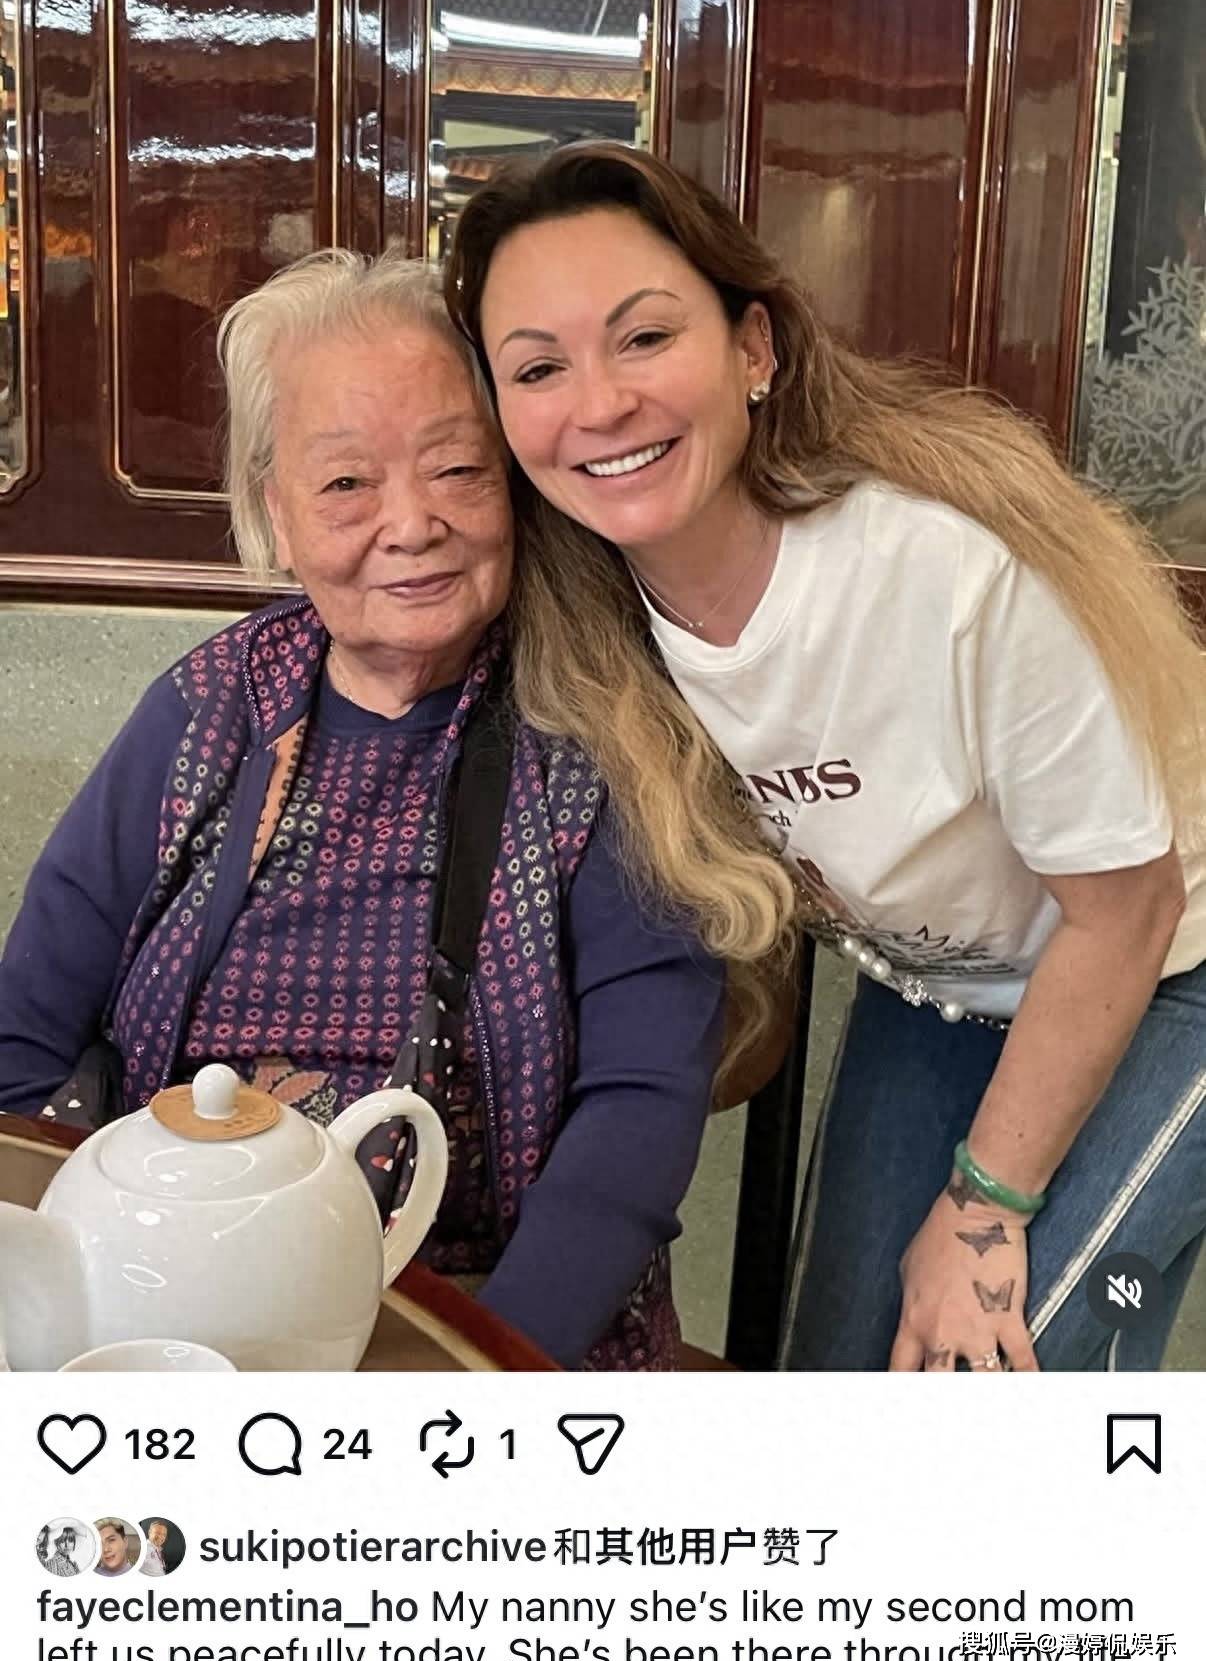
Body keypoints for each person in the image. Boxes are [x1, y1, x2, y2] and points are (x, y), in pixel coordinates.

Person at [445, 140, 1206, 1373]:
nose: (598, 404)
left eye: (645, 338)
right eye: (538, 367)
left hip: (1166, 955)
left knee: (983, 1374)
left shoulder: (943, 573)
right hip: (943, 986)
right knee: (840, 1374)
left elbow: (1128, 910)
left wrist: (982, 1210)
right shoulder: (587, 637)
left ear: (753, 349)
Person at [0, 249, 746, 1371]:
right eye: (347, 483)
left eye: (457, 468)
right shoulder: (207, 710)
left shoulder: (600, 727)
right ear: (276, 512)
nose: (412, 523)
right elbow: (21, 1033)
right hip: (169, 1320)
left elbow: (636, 1116)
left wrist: (474, 1373)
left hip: (477, 1325)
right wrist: (77, 1292)